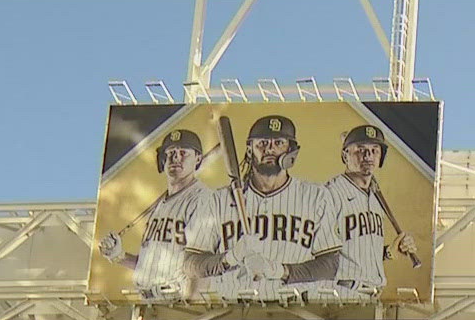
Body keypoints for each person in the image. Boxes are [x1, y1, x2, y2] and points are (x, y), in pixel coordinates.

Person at [198, 114, 336, 298]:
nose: (270, 149)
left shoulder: (315, 197)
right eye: (262, 143)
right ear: (249, 150)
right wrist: (230, 258)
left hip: (293, 309)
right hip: (230, 311)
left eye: (279, 143)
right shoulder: (219, 199)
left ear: (292, 151)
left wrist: (280, 271)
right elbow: (192, 263)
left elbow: (330, 265)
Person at [304, 124, 419, 298]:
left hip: (372, 293)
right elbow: (315, 252)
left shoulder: (375, 197)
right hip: (341, 293)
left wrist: (389, 252)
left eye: (374, 150)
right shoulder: (330, 194)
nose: (368, 156)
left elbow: (356, 251)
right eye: (360, 150)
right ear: (345, 155)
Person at [99, 128, 215, 299]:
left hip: (176, 301)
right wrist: (119, 256)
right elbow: (150, 266)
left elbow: (202, 265)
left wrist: (191, 309)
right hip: (146, 301)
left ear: (198, 158)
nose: (176, 157)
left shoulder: (202, 200)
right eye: (171, 153)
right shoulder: (161, 205)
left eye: (183, 152)